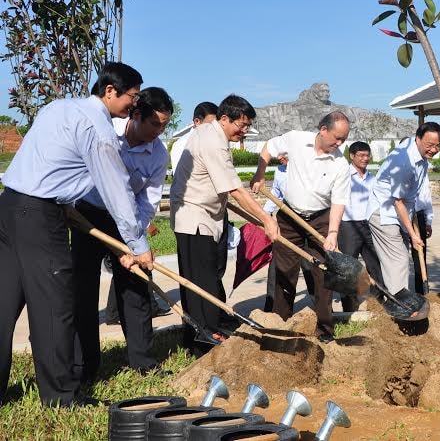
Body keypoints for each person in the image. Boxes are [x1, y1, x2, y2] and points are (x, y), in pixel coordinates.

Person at [0, 61, 153, 407]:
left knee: (2, 304)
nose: (135, 105)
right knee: (54, 306)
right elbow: (118, 193)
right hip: (38, 217)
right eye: (132, 97)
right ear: (110, 91)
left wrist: (63, 200)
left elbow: (43, 160)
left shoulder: (58, 107)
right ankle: (61, 397)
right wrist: (138, 244)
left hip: (9, 206)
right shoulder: (99, 131)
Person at [71, 87, 173, 382]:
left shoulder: (158, 154)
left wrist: (133, 240)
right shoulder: (104, 132)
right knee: (84, 290)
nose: (159, 131)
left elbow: (149, 201)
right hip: (87, 216)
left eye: (165, 125)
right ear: (136, 115)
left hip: (127, 223)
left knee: (137, 287)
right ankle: (85, 366)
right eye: (155, 124)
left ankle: (143, 361)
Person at [170, 95, 280, 355]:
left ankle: (200, 333)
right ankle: (205, 338)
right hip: (195, 218)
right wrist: (266, 220)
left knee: (200, 279)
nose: (243, 131)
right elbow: (235, 190)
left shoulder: (212, 134)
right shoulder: (213, 141)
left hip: (203, 215)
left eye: (247, 126)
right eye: (240, 125)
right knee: (201, 283)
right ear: (224, 119)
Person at [250, 111, 351, 342]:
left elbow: (339, 201)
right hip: (289, 216)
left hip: (321, 218)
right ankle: (280, 326)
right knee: (284, 272)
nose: (339, 144)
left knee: (324, 273)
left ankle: (324, 330)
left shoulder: (341, 164)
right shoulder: (296, 139)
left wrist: (333, 233)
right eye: (336, 138)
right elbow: (268, 147)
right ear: (323, 130)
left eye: (343, 140)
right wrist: (260, 173)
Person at [367, 123, 440, 295]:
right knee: (398, 260)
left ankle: (400, 299)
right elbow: (398, 201)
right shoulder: (404, 162)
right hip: (384, 213)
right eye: (429, 145)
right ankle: (401, 305)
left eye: (437, 145)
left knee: (398, 260)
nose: (433, 149)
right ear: (417, 139)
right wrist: (413, 234)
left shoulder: (418, 154)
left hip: (399, 213)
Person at [338, 141, 383, 311]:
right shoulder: (344, 176)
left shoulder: (372, 178)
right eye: (361, 155)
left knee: (375, 264)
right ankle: (349, 309)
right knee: (348, 267)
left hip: (369, 225)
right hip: (348, 226)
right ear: (352, 156)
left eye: (367, 155)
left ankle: (379, 303)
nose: (365, 159)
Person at [261, 154, 290, 311]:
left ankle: (323, 312)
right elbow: (276, 195)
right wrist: (263, 215)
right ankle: (271, 309)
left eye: (283, 154)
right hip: (286, 220)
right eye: (277, 154)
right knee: (277, 264)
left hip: (307, 220)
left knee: (309, 266)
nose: (279, 157)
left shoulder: (305, 168)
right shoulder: (280, 170)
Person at [169, 101, 218, 174]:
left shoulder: (215, 141)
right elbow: (181, 177)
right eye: (211, 125)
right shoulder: (182, 144)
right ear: (197, 121)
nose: (215, 128)